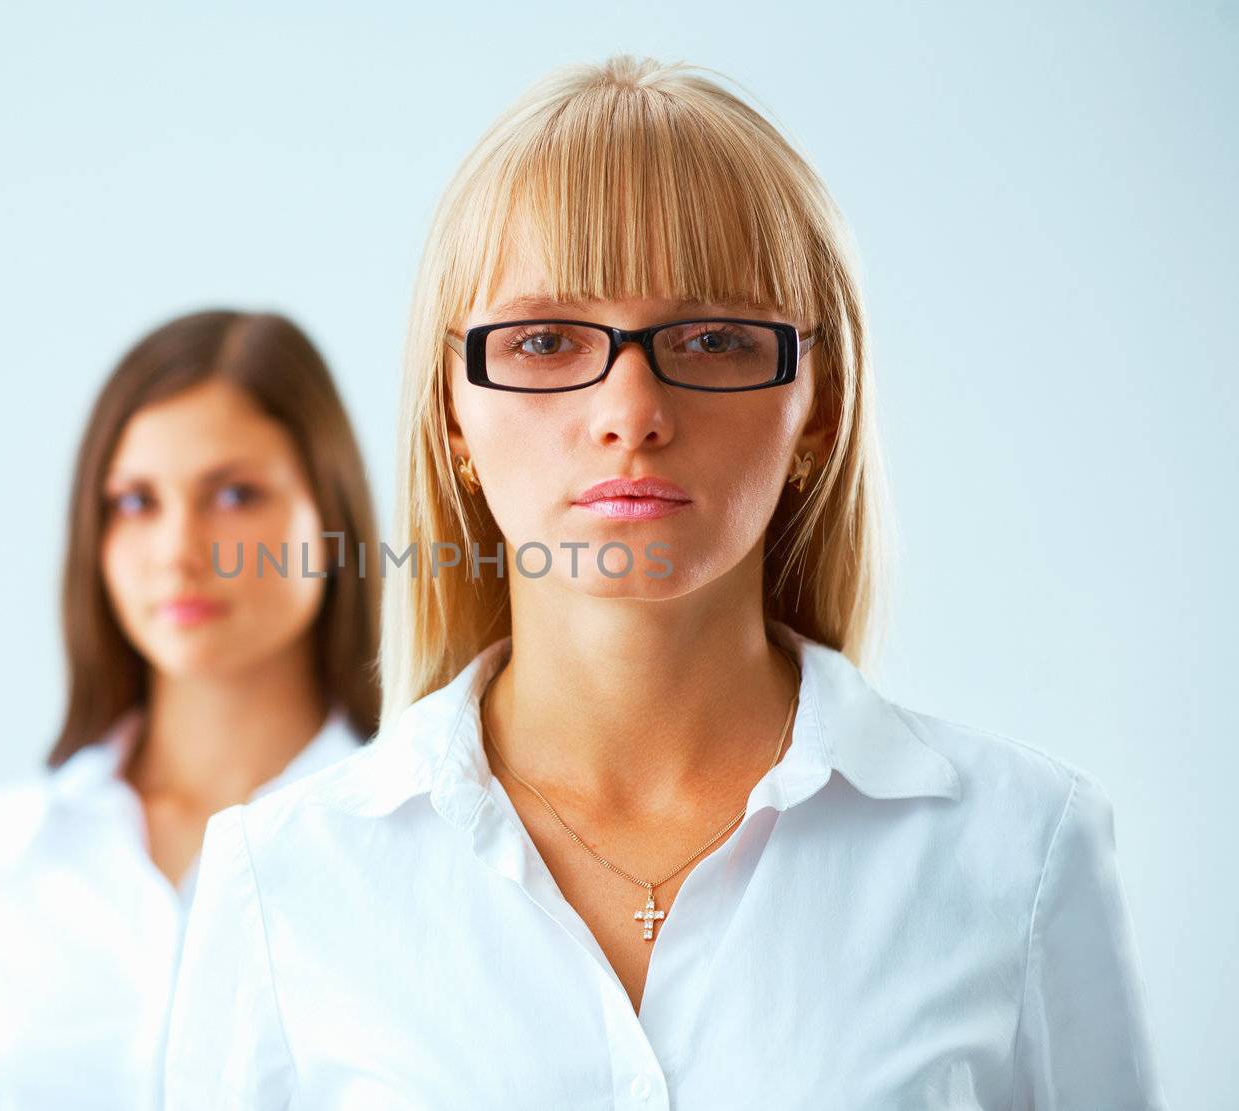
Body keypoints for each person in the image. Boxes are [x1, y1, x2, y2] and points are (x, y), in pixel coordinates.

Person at [160, 56, 1165, 1109]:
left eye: (714, 338)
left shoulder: (1022, 847)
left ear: (817, 407)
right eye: (546, 340)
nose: (629, 410)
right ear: (452, 412)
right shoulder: (284, 876)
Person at [0, 310, 380, 1110]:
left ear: (332, 515)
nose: (178, 549)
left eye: (236, 494)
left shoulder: (434, 853)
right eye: (136, 502)